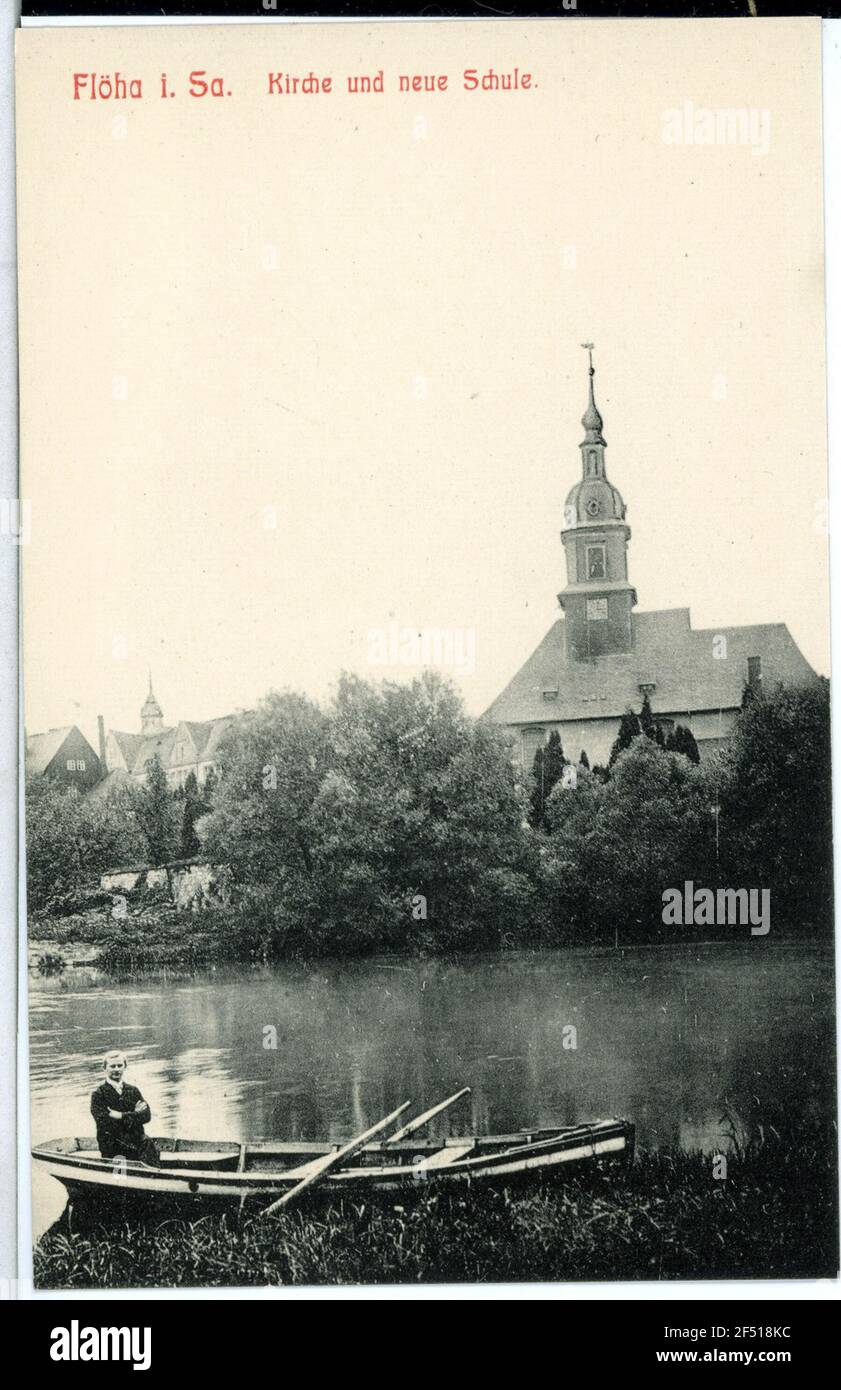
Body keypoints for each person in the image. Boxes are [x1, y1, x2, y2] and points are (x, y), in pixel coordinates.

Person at [90, 1050, 160, 1166]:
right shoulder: (98, 1094)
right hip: (113, 1145)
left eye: (120, 1065)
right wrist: (134, 1114)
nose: (116, 1069)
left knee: (147, 1144)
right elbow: (105, 1123)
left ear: (125, 1067)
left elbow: (147, 1116)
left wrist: (121, 1115)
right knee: (144, 1145)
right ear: (105, 1068)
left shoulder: (133, 1090)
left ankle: (153, 1176)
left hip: (135, 1141)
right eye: (112, 1066)